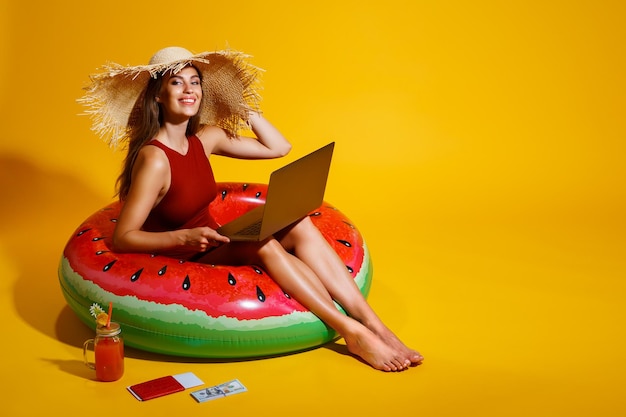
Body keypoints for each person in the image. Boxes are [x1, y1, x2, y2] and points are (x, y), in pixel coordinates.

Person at [81, 46, 423, 371]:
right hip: (183, 253)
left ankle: (376, 325)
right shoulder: (154, 159)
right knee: (265, 243)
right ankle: (353, 332)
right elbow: (124, 238)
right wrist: (184, 237)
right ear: (158, 95)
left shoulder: (205, 139)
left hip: (215, 240)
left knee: (299, 223)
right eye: (176, 82)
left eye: (195, 81)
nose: (189, 89)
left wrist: (242, 107)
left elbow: (278, 147)